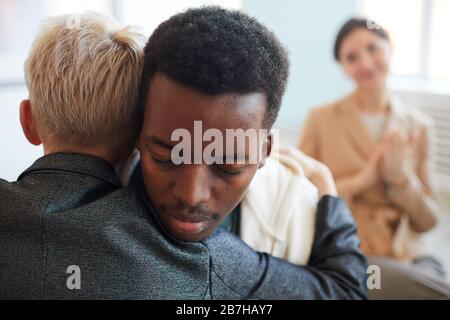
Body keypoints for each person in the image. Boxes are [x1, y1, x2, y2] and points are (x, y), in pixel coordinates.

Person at [0, 10, 367, 300]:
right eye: (167, 156)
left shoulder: (289, 204)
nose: (191, 195)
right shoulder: (196, 261)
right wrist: (329, 190)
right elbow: (347, 291)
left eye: (228, 164)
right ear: (137, 135)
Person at [299, 18, 450, 299]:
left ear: (390, 48)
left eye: (373, 49)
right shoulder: (320, 120)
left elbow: (428, 222)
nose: (366, 63)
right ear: (343, 68)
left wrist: (401, 182)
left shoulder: (420, 126)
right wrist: (361, 180)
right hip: (350, 248)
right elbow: (300, 199)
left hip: (408, 253)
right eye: (352, 57)